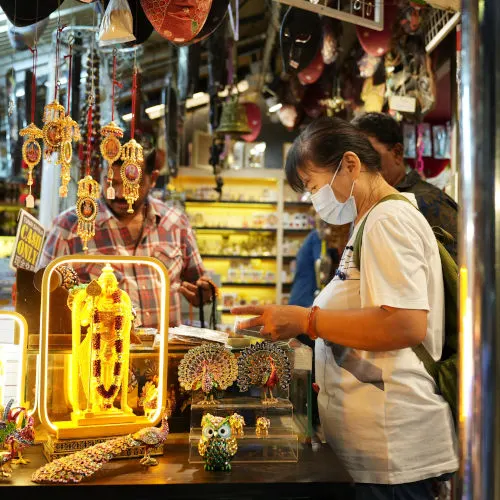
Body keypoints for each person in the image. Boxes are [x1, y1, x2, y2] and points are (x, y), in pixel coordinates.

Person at [233, 117, 458, 499]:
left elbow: (405, 325)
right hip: (375, 448)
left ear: (350, 165)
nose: (313, 197)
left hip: (392, 449)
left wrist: (307, 319)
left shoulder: (388, 219)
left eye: (314, 185)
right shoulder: (370, 221)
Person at [39, 148, 214, 329]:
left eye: (132, 184)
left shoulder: (175, 222)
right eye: (111, 183)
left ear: (152, 179)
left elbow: (199, 282)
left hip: (164, 353)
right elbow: (41, 294)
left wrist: (204, 291)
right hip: (99, 353)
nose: (121, 194)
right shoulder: (69, 227)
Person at [352, 111, 458, 261]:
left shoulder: (426, 202)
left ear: (397, 153)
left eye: (368, 155)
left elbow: (462, 269)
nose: (360, 167)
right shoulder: (370, 205)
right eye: (354, 160)